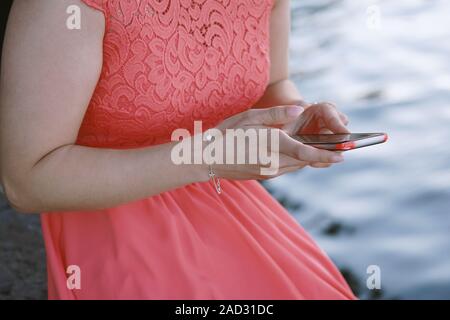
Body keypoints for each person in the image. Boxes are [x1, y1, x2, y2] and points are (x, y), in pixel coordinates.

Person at [0, 0, 356, 299]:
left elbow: (273, 83)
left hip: (225, 197)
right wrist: (206, 158)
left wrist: (295, 114)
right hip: (106, 213)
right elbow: (27, 182)